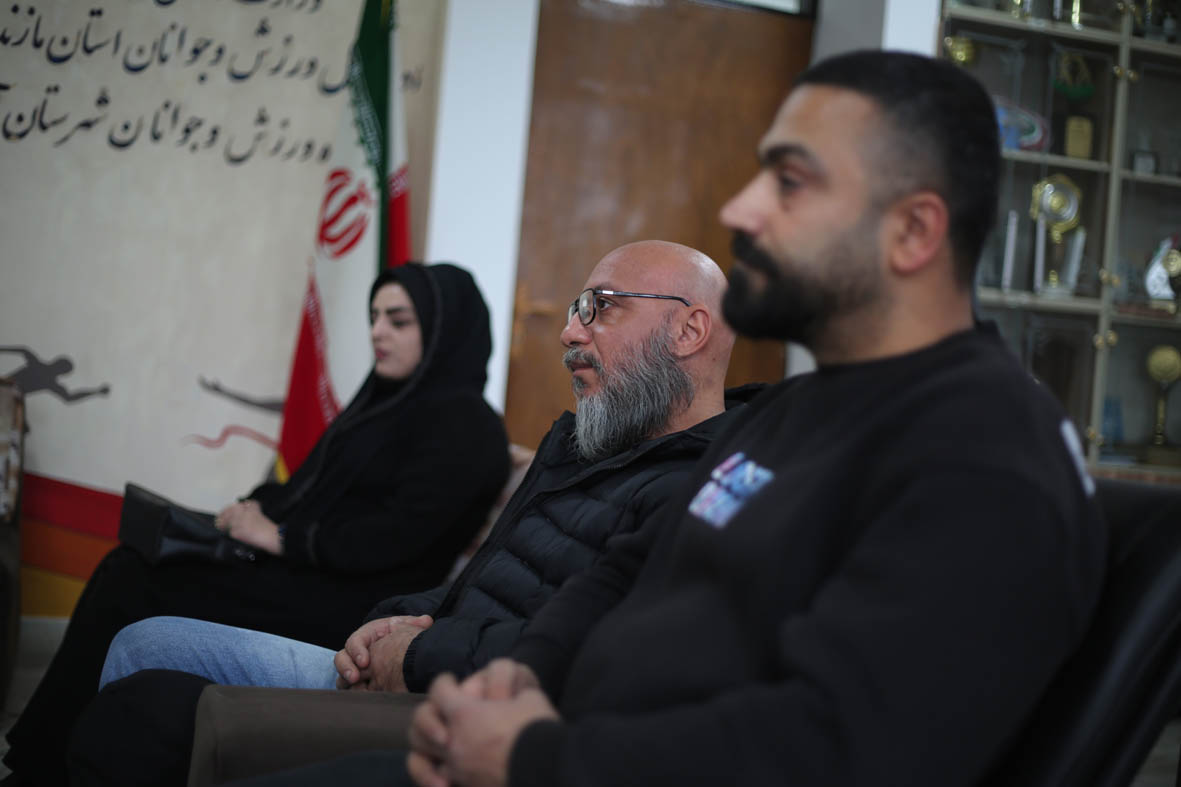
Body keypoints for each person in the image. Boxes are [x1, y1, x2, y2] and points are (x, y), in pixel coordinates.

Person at [382, 50, 1107, 787]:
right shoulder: (793, 409)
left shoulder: (984, 458)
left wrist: (527, 758)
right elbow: (626, 572)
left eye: (789, 182)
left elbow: (830, 750)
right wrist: (522, 677)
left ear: (913, 232)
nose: (739, 211)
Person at [65, 241, 755, 785]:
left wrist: (418, 649)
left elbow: (594, 651)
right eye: (578, 306)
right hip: (408, 657)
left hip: (462, 705)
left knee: (144, 709)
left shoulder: (713, 488)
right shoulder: (575, 447)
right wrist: (395, 619)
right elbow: (474, 579)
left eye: (600, 307)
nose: (570, 331)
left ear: (689, 329)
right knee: (146, 640)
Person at [2, 263, 511, 787]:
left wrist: (281, 536)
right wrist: (256, 511)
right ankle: (47, 757)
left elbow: (392, 538)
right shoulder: (384, 402)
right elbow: (315, 487)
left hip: (356, 605)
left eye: (398, 321)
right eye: (374, 317)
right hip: (312, 575)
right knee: (131, 564)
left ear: (446, 330)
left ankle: (43, 768)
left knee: (134, 580)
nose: (378, 331)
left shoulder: (469, 428)